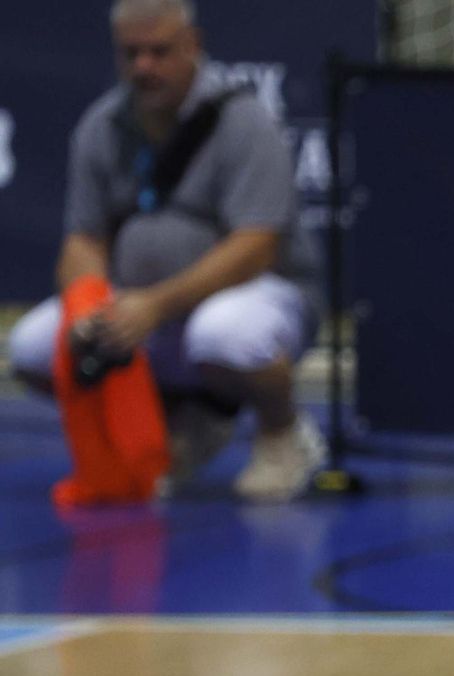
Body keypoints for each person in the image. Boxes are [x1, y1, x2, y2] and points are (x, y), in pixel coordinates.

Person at [4, 0, 326, 502]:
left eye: (159, 52)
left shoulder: (243, 122)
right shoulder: (101, 127)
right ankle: (178, 424)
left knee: (225, 333)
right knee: (33, 346)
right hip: (138, 308)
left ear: (193, 45)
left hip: (255, 299)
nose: (144, 67)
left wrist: (157, 305)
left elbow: (256, 246)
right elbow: (84, 240)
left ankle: (283, 434)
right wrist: (88, 306)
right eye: (131, 54)